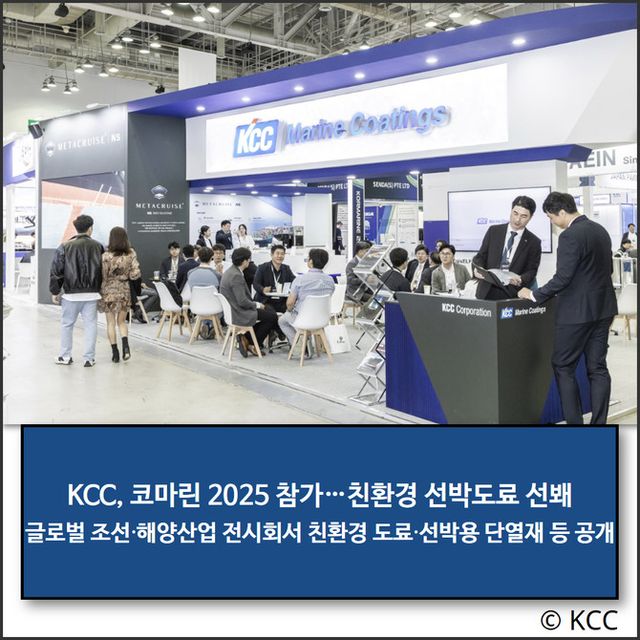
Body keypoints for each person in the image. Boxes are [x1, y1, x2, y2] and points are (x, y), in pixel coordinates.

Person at [517, 192, 618, 425]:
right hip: (604, 309)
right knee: (598, 368)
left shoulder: (569, 236)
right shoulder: (600, 230)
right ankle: (599, 425)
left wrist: (533, 294)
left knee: (563, 365)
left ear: (562, 212)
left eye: (551, 217)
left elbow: (563, 278)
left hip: (576, 314)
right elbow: (607, 271)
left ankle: (575, 426)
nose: (552, 222)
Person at [49, 214, 104, 367]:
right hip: (92, 294)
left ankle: (65, 356)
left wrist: (55, 291)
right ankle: (89, 358)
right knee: (91, 325)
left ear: (76, 228)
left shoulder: (65, 246)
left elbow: (56, 271)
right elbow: (103, 271)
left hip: (70, 295)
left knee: (67, 325)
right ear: (90, 228)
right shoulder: (98, 247)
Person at [473, 195, 542, 300]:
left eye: (524, 216)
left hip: (513, 294)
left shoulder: (534, 242)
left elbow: (532, 270)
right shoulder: (493, 231)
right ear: (511, 211)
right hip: (486, 291)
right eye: (515, 213)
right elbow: (480, 257)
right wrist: (477, 270)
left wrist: (521, 279)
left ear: (531, 217)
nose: (517, 219)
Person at [219, 247, 278, 357]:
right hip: (238, 312)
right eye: (249, 259)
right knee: (272, 317)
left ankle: (247, 338)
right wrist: (257, 305)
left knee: (269, 311)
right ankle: (251, 342)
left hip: (233, 310)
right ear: (244, 261)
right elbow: (242, 301)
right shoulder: (236, 276)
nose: (250, 262)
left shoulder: (231, 271)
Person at [98, 226, 141, 363]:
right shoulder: (131, 254)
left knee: (110, 323)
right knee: (121, 322)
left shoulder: (105, 256)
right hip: (124, 291)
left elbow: (103, 276)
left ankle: (115, 353)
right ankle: (126, 348)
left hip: (108, 292)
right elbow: (135, 274)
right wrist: (126, 275)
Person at [278, 248, 335, 346]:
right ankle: (305, 343)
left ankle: (299, 345)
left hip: (302, 318)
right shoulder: (330, 280)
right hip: (323, 319)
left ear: (311, 261)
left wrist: (289, 310)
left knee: (282, 320)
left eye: (308, 258)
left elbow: (290, 303)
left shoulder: (300, 279)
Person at [253, 244, 296, 314]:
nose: (280, 256)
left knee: (293, 310)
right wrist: (263, 289)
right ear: (272, 255)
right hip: (266, 300)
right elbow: (256, 283)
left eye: (282, 254)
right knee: (271, 313)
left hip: (281, 301)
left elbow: (294, 281)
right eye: (277, 253)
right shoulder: (262, 268)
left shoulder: (286, 269)